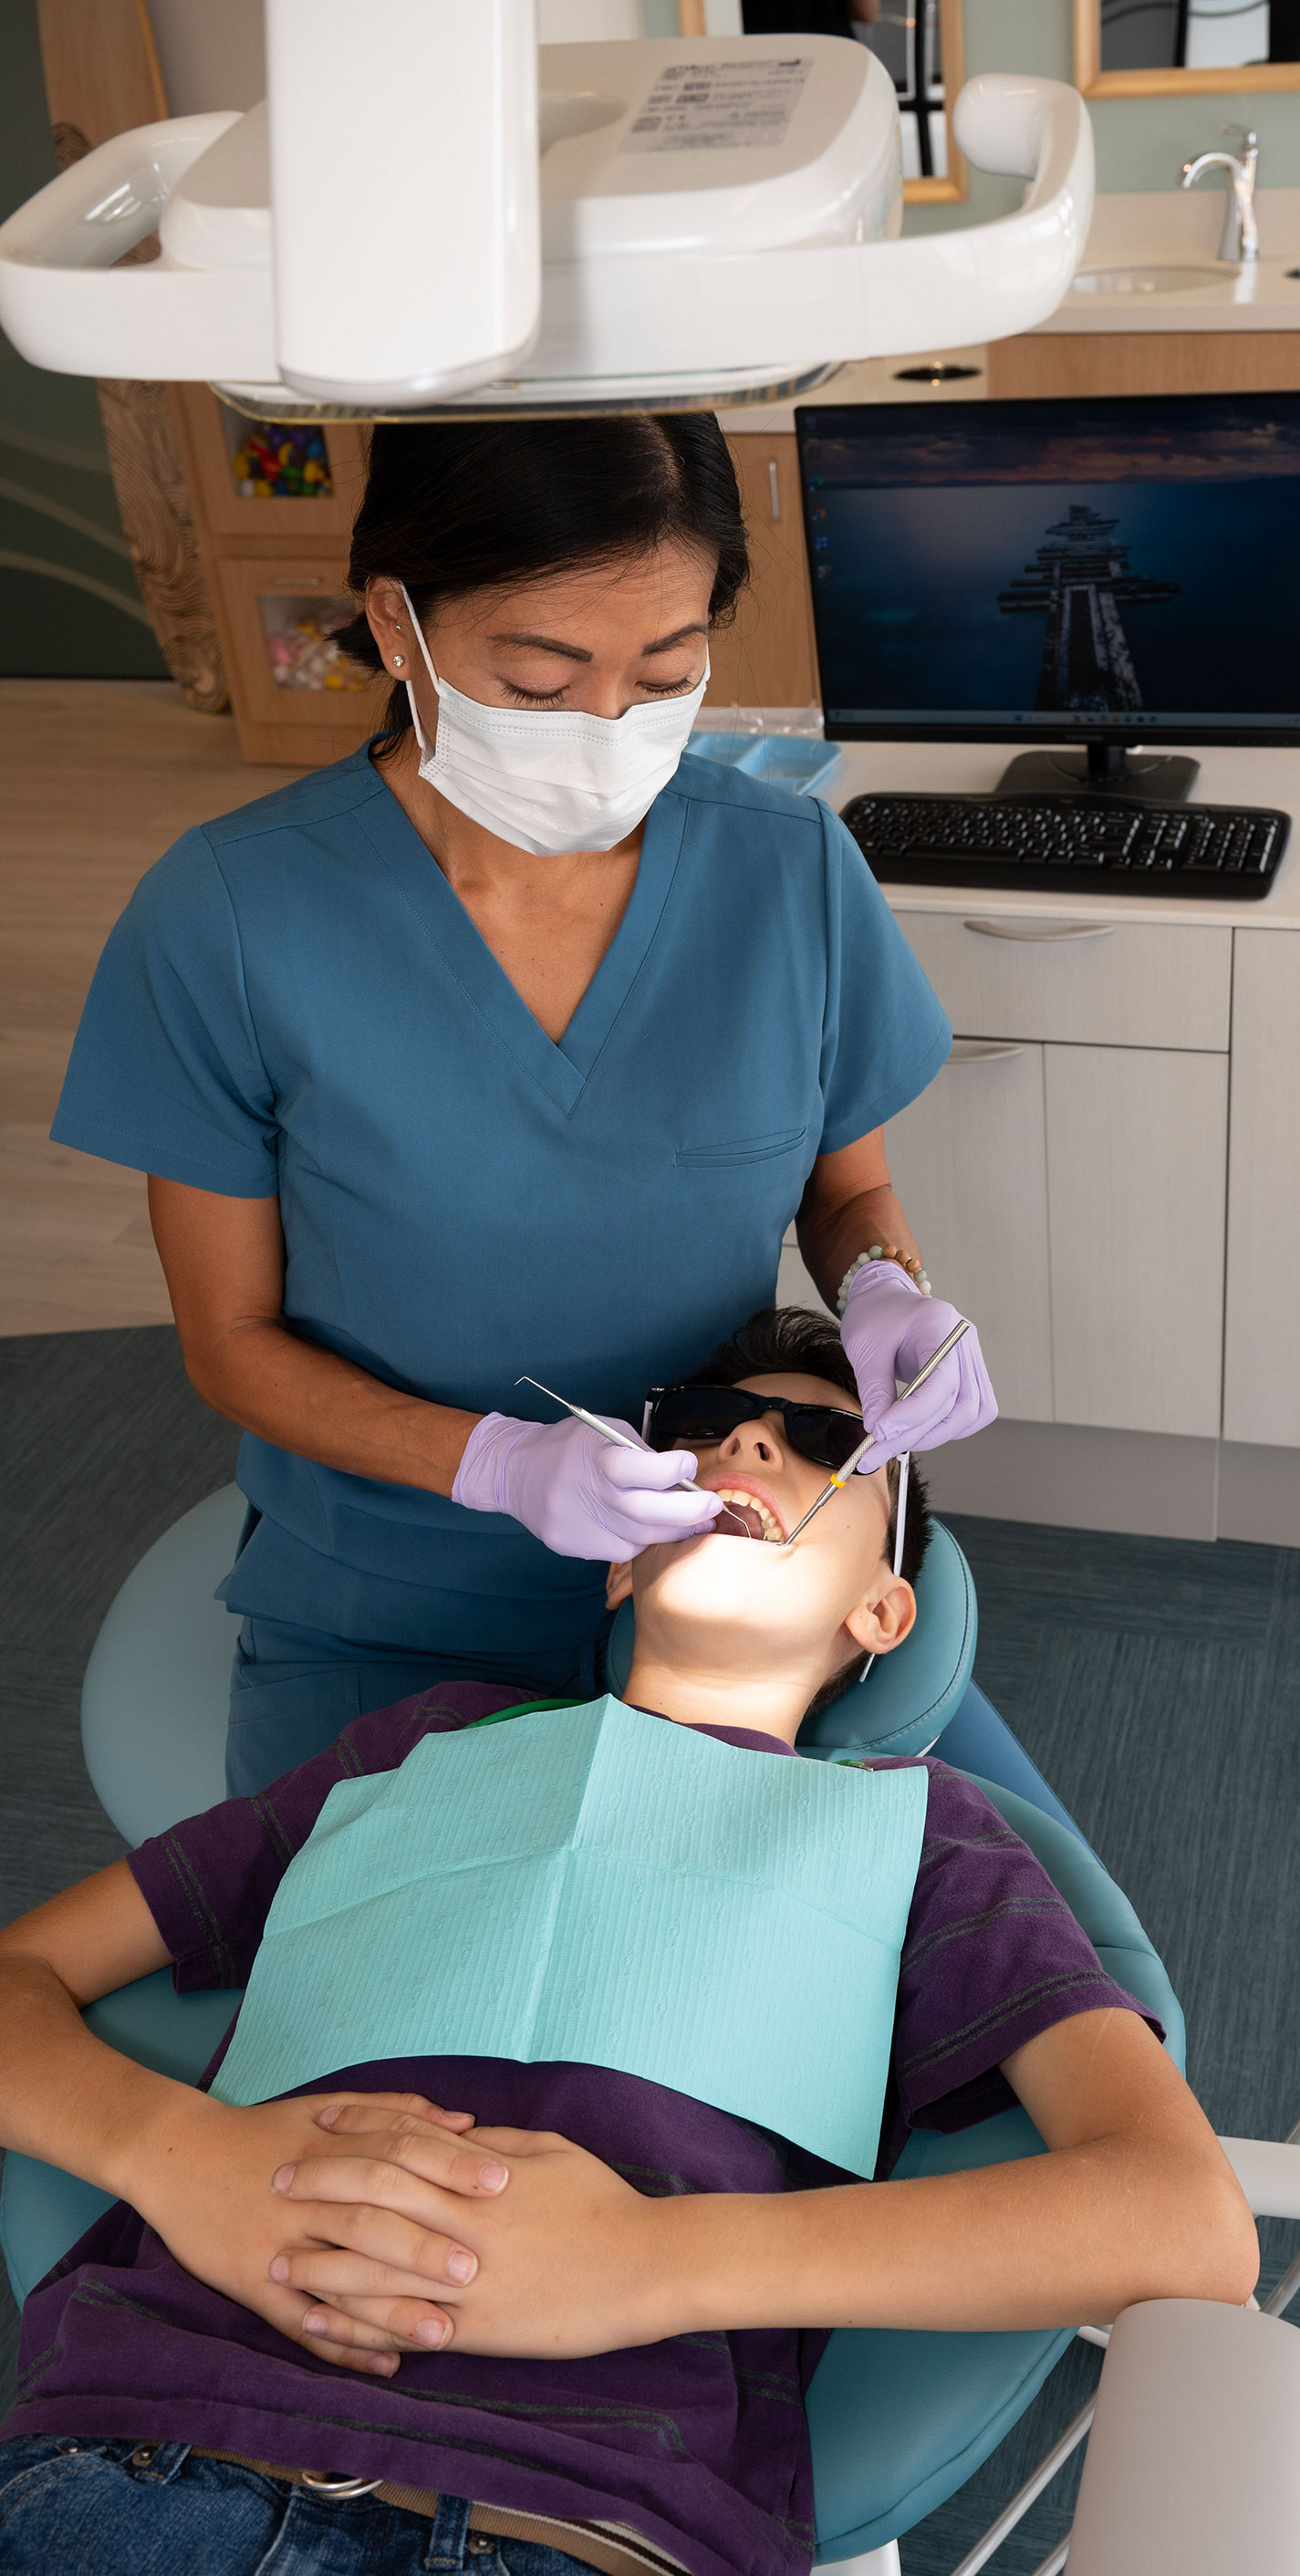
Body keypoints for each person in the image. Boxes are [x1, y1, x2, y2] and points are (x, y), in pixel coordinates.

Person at [0, 1308, 1257, 2576]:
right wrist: (171, 2151)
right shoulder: (413, 1748)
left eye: (821, 1442)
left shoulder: (925, 1834)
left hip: (575, 2552)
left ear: (882, 1607)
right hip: (132, 2476)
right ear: (615, 1565)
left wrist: (656, 2258)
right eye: (704, 1432)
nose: (750, 1440)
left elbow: (1183, 2217)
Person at [48, 413, 1038, 1810]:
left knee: (1050, 1977)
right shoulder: (230, 919)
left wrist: (885, 1283)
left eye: (667, 671)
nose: (607, 725)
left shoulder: (788, 870)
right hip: (394, 1608)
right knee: (379, 2011)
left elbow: (844, 1190)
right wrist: (498, 1465)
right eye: (539, 672)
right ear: (395, 620)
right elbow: (232, 1346)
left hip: (723, 1589)